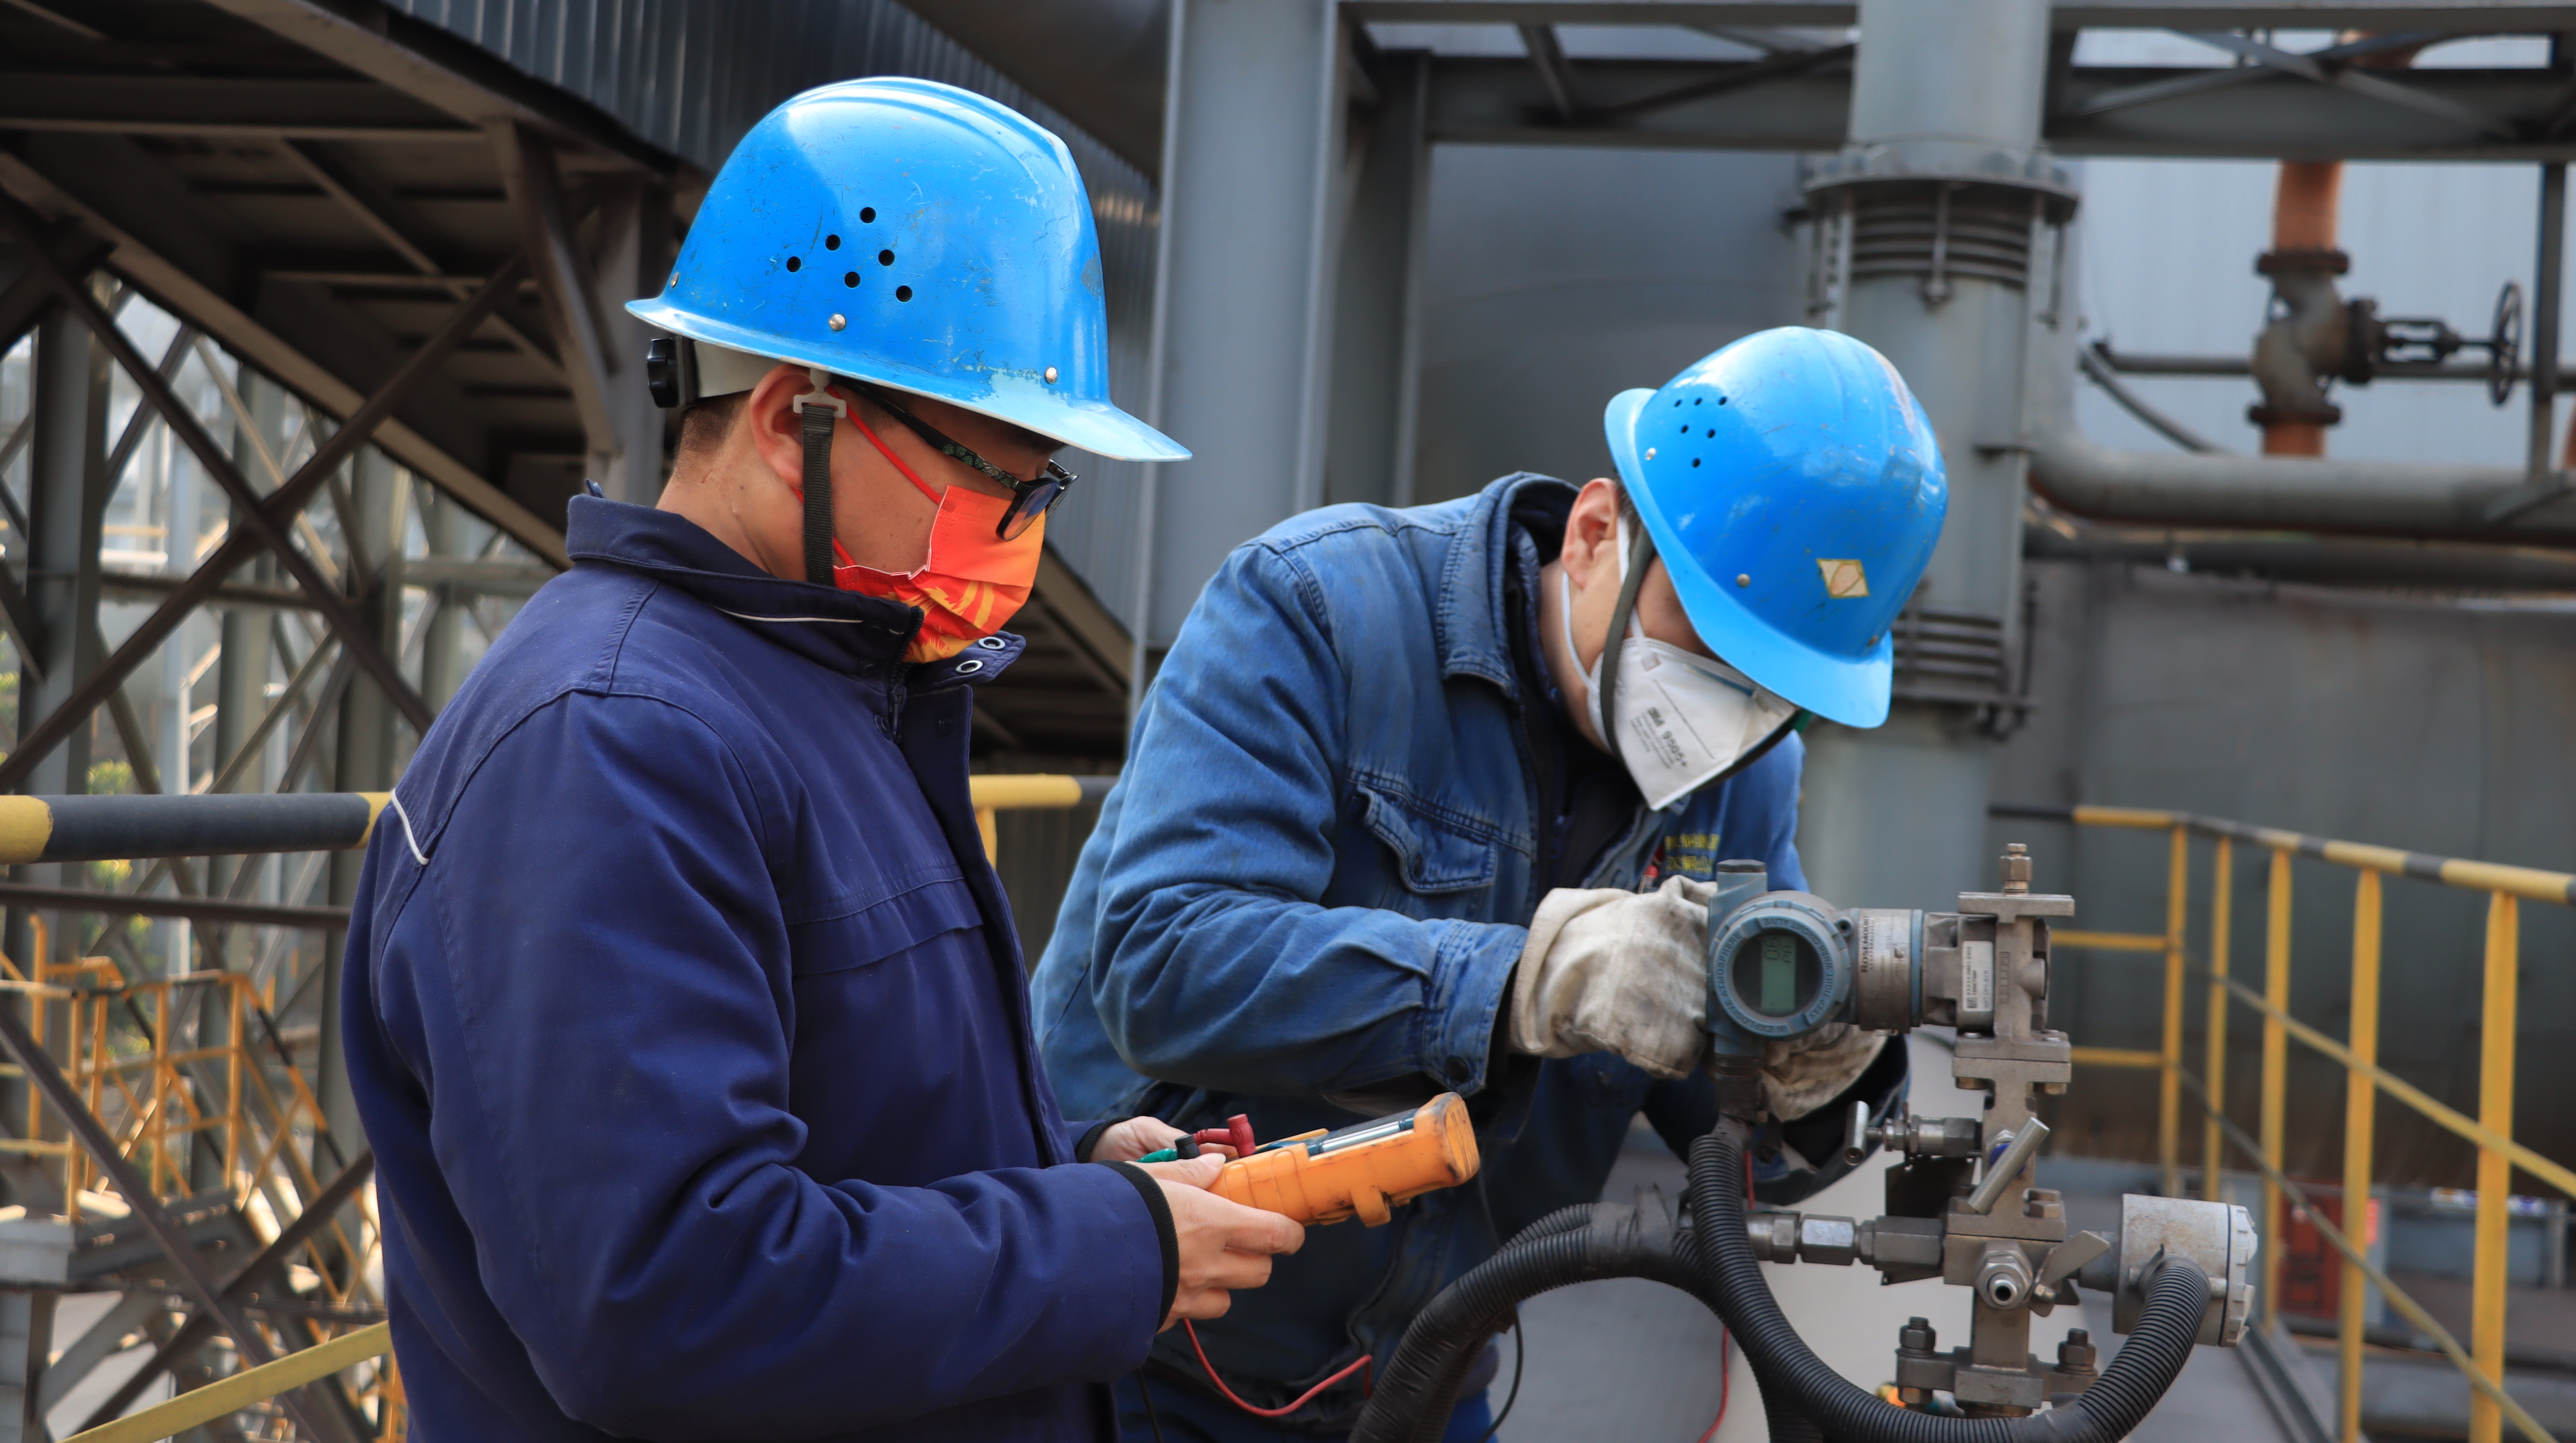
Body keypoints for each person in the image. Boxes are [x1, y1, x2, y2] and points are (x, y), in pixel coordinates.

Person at [340, 78, 1303, 1443]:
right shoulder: (609, 746)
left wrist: (1073, 1172)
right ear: (797, 417)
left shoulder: (823, 701)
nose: (1023, 530)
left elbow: (841, 1131)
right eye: (996, 476)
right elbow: (671, 1300)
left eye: (1045, 489)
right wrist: (1104, 1251)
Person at [1033, 326, 1950, 1441]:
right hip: (1149, 1359)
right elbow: (1163, 962)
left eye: (1772, 693)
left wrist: (1833, 1079)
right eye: (1709, 649)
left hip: (1430, 1376)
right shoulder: (1321, 609)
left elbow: (1729, 1103)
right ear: (1600, 531)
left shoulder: (1745, 779)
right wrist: (1526, 982)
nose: (1728, 719)